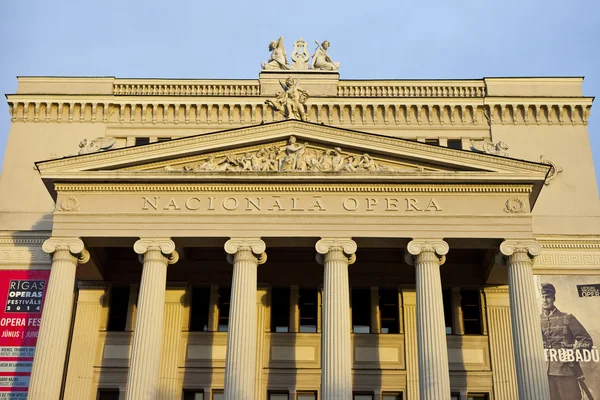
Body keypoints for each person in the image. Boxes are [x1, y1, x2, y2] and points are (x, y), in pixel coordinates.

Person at [540, 283, 593, 400]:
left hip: (566, 371)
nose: (545, 300)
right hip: (543, 375)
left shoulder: (567, 318)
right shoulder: (535, 320)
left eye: (547, 296)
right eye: (542, 296)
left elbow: (586, 341)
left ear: (553, 298)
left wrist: (571, 354)